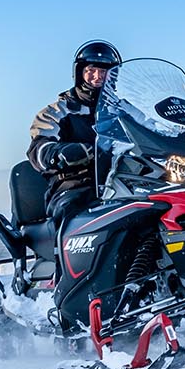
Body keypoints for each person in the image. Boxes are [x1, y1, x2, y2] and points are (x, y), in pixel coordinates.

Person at [28, 40, 121, 229]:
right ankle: (61, 257)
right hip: (75, 185)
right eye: (91, 70)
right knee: (73, 216)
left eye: (104, 72)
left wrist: (182, 136)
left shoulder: (123, 111)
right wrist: (62, 153)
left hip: (122, 183)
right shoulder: (57, 112)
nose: (97, 76)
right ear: (80, 73)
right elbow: (38, 148)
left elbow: (151, 128)